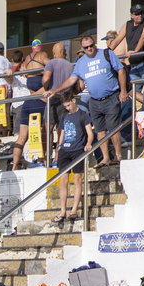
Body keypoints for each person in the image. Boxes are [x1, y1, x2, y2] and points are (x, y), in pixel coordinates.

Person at [46, 35, 128, 168]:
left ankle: (118, 157)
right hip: (94, 100)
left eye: (91, 45)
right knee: (100, 130)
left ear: (94, 44)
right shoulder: (81, 62)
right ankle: (105, 158)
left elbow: (120, 70)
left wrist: (123, 91)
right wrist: (55, 90)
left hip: (111, 96)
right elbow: (72, 80)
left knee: (113, 129)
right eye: (86, 47)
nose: (90, 48)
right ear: (82, 49)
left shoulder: (106, 53)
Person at [51, 92, 94, 224]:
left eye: (68, 105)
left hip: (77, 150)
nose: (67, 108)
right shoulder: (64, 115)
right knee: (63, 180)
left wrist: (88, 143)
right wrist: (59, 148)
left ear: (74, 101)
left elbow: (90, 133)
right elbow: (62, 133)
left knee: (77, 179)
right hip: (65, 150)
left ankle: (74, 209)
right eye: (65, 106)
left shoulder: (83, 115)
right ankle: (62, 210)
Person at [10, 39, 49, 170]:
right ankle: (42, 159)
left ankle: (14, 165)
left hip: (28, 102)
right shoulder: (42, 56)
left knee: (21, 137)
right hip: (38, 101)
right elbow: (50, 71)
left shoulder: (27, 59)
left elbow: (19, 71)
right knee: (43, 131)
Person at [109, 4, 144, 82]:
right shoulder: (128, 24)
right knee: (135, 91)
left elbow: (143, 37)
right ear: (132, 15)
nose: (140, 16)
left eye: (141, 13)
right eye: (137, 14)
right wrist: (106, 53)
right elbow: (117, 39)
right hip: (133, 62)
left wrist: (136, 51)